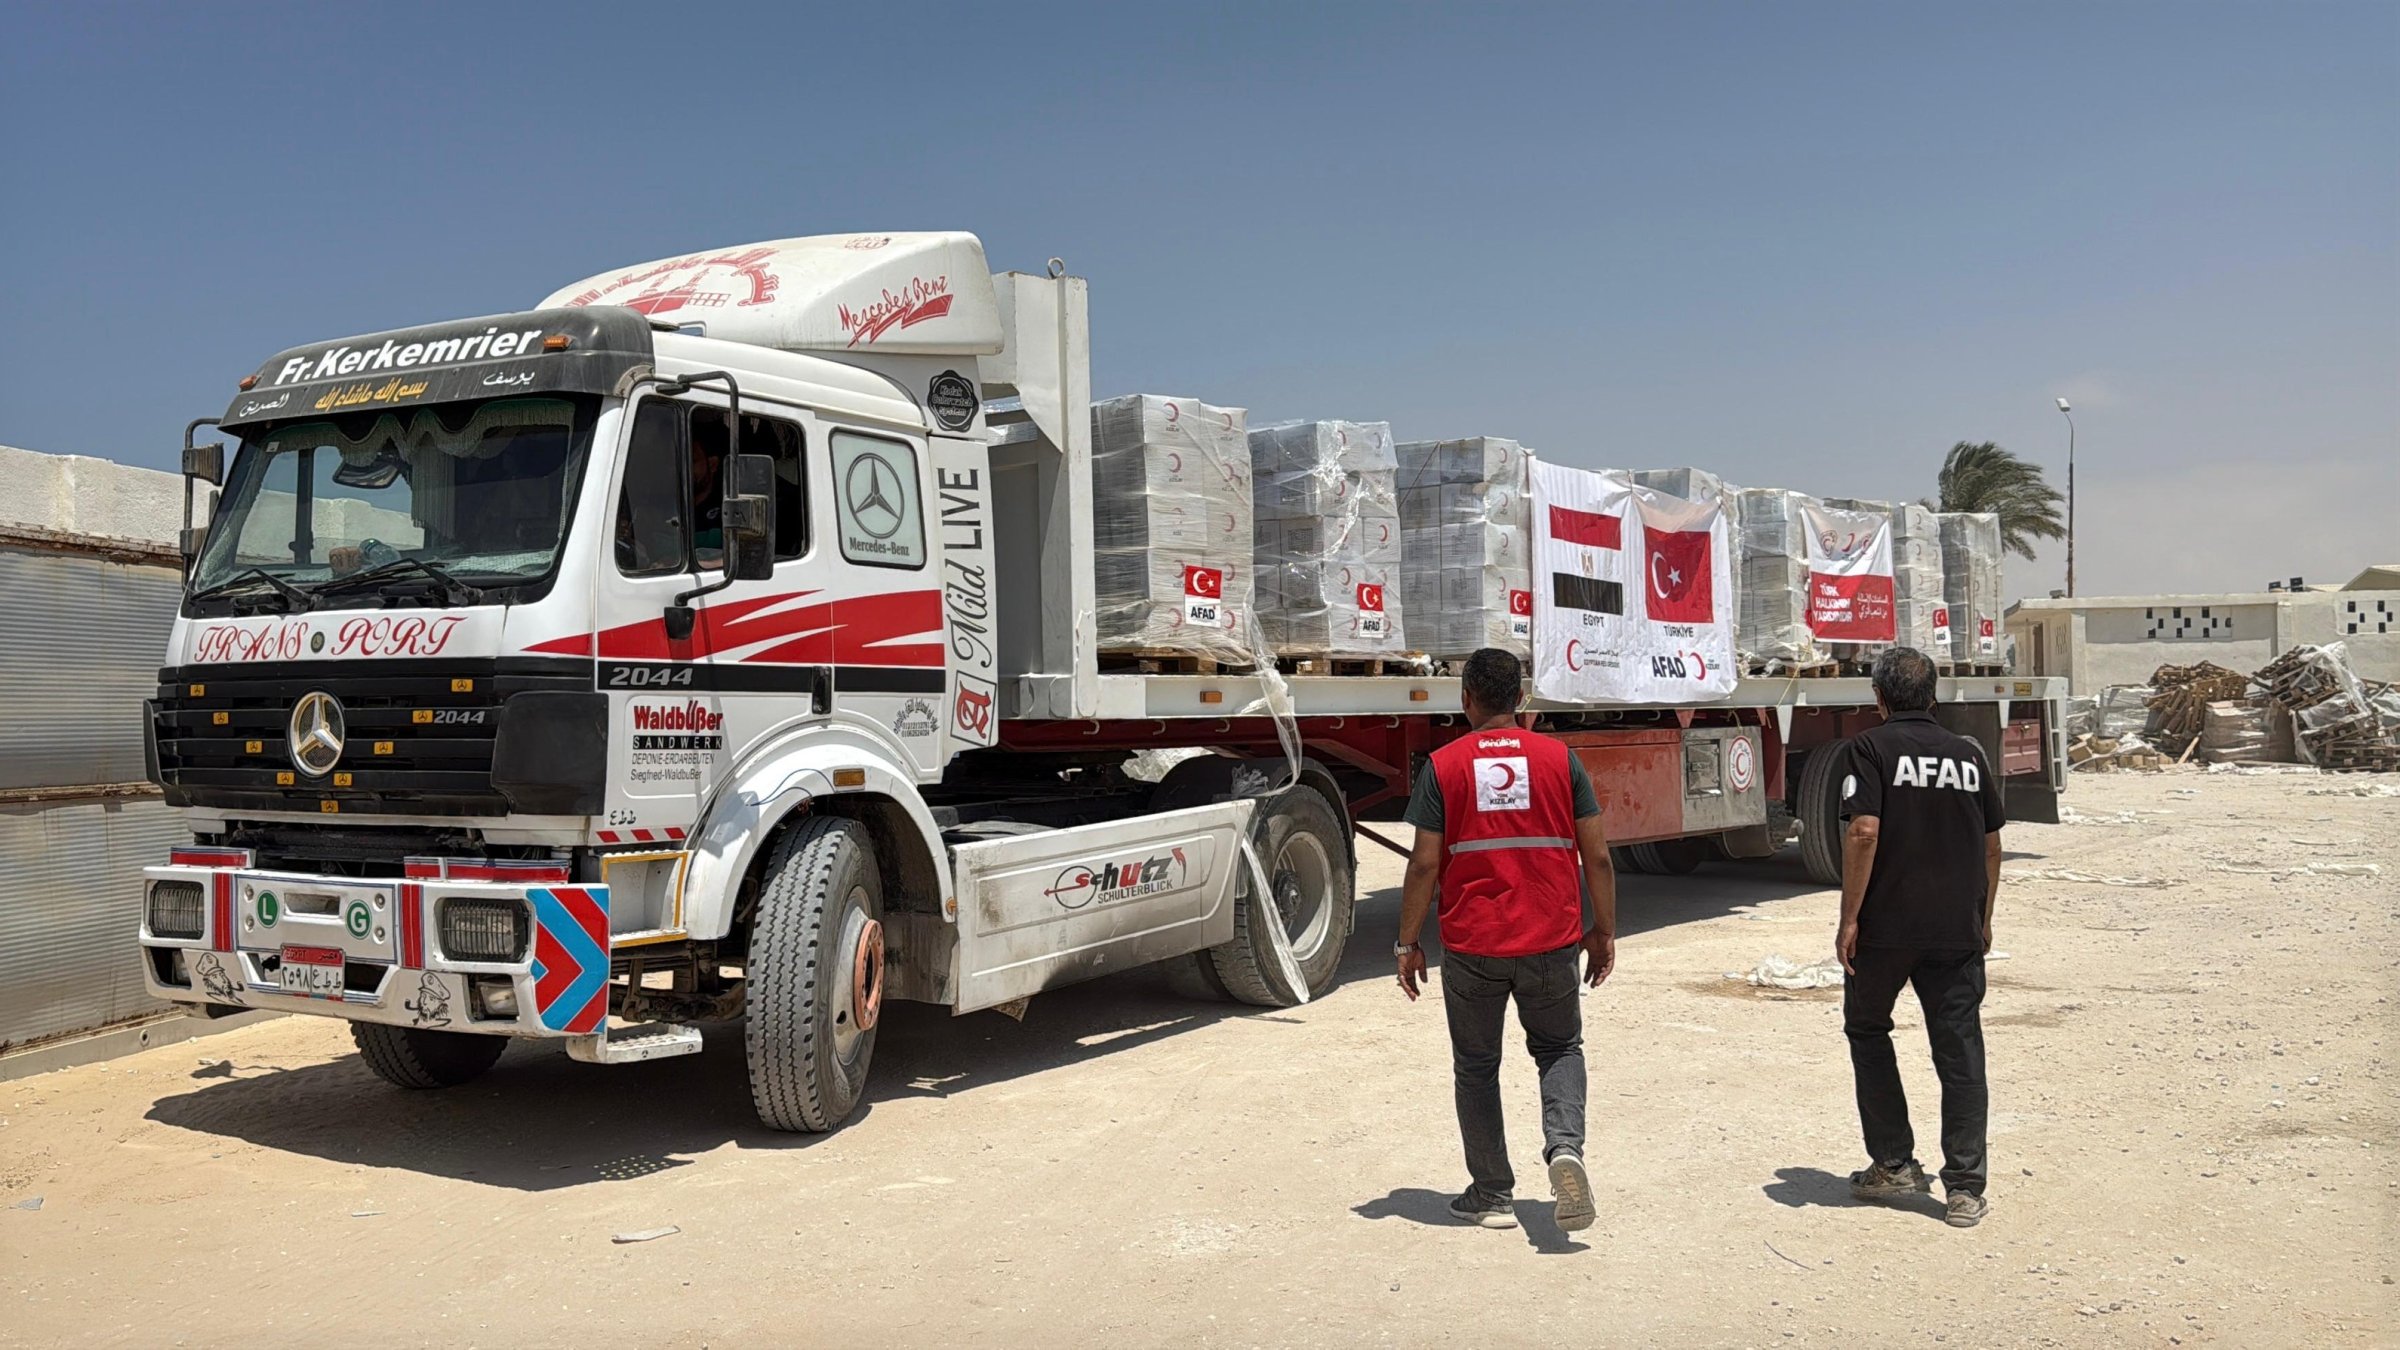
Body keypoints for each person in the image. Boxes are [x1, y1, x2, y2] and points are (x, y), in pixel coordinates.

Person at [1396, 647, 1616, 1233]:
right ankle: (1565, 1150)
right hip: (1550, 938)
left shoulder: (1443, 766)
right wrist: (1604, 932)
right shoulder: (1559, 759)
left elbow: (1423, 865)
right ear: (1521, 699)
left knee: (1476, 1066)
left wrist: (1407, 942)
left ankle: (1492, 1194)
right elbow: (1595, 854)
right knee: (1559, 1048)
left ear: (1465, 699)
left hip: (1474, 947)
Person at [1835, 645, 2006, 1228]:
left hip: (1885, 929)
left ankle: (1893, 1163)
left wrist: (1849, 918)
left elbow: (1863, 831)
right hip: (1956, 927)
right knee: (1959, 1051)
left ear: (1878, 697)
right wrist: (1983, 917)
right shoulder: (1969, 754)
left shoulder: (1869, 748)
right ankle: (1963, 1187)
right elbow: (1990, 844)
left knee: (1867, 1029)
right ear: (1934, 696)